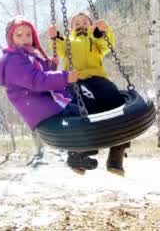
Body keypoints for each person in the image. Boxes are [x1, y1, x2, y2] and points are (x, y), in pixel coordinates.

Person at [0, 16, 98, 174]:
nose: (25, 39)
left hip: (43, 104)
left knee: (77, 110)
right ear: (11, 39)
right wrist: (64, 77)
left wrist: (51, 65)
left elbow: (40, 71)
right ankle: (77, 154)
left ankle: (78, 154)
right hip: (39, 107)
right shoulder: (13, 60)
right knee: (75, 114)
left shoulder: (28, 56)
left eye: (28, 35)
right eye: (19, 35)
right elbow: (35, 80)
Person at [48, 10, 130, 176]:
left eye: (85, 22)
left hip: (97, 78)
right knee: (83, 109)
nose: (81, 25)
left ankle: (116, 154)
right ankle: (78, 153)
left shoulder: (95, 37)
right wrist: (55, 36)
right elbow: (60, 49)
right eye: (76, 23)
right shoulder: (68, 40)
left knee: (115, 99)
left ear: (91, 25)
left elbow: (106, 45)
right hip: (75, 80)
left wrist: (104, 31)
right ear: (70, 28)